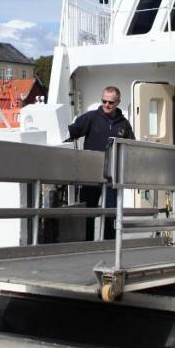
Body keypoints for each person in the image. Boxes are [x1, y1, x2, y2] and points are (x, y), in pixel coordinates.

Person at [67, 86, 134, 239]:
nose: (107, 105)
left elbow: (131, 147)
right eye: (104, 101)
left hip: (113, 175)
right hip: (90, 173)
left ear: (118, 102)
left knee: (111, 212)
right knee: (88, 211)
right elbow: (70, 133)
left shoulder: (124, 124)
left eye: (111, 102)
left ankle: (109, 244)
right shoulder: (90, 117)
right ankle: (87, 243)